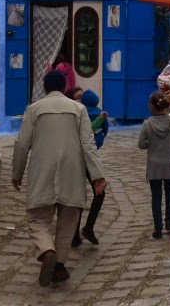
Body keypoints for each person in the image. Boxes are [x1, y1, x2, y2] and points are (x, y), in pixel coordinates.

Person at [12, 70, 106, 287]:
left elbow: (22, 144)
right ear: (65, 88)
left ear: (44, 88)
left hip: (42, 170)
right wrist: (97, 176)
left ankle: (46, 250)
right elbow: (88, 145)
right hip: (72, 171)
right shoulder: (79, 109)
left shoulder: (34, 109)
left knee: (37, 218)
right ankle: (60, 266)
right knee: (69, 219)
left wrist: (17, 173)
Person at [72, 89, 109, 247]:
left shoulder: (77, 113)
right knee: (93, 194)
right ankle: (85, 229)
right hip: (85, 157)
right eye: (77, 97)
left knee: (79, 195)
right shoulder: (96, 114)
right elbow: (105, 131)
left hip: (77, 157)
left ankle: (76, 234)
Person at [138, 91, 170, 239]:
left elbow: (141, 144)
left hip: (154, 166)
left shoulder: (147, 124)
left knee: (156, 197)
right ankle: (169, 222)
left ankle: (158, 228)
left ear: (151, 106)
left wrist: (150, 145)